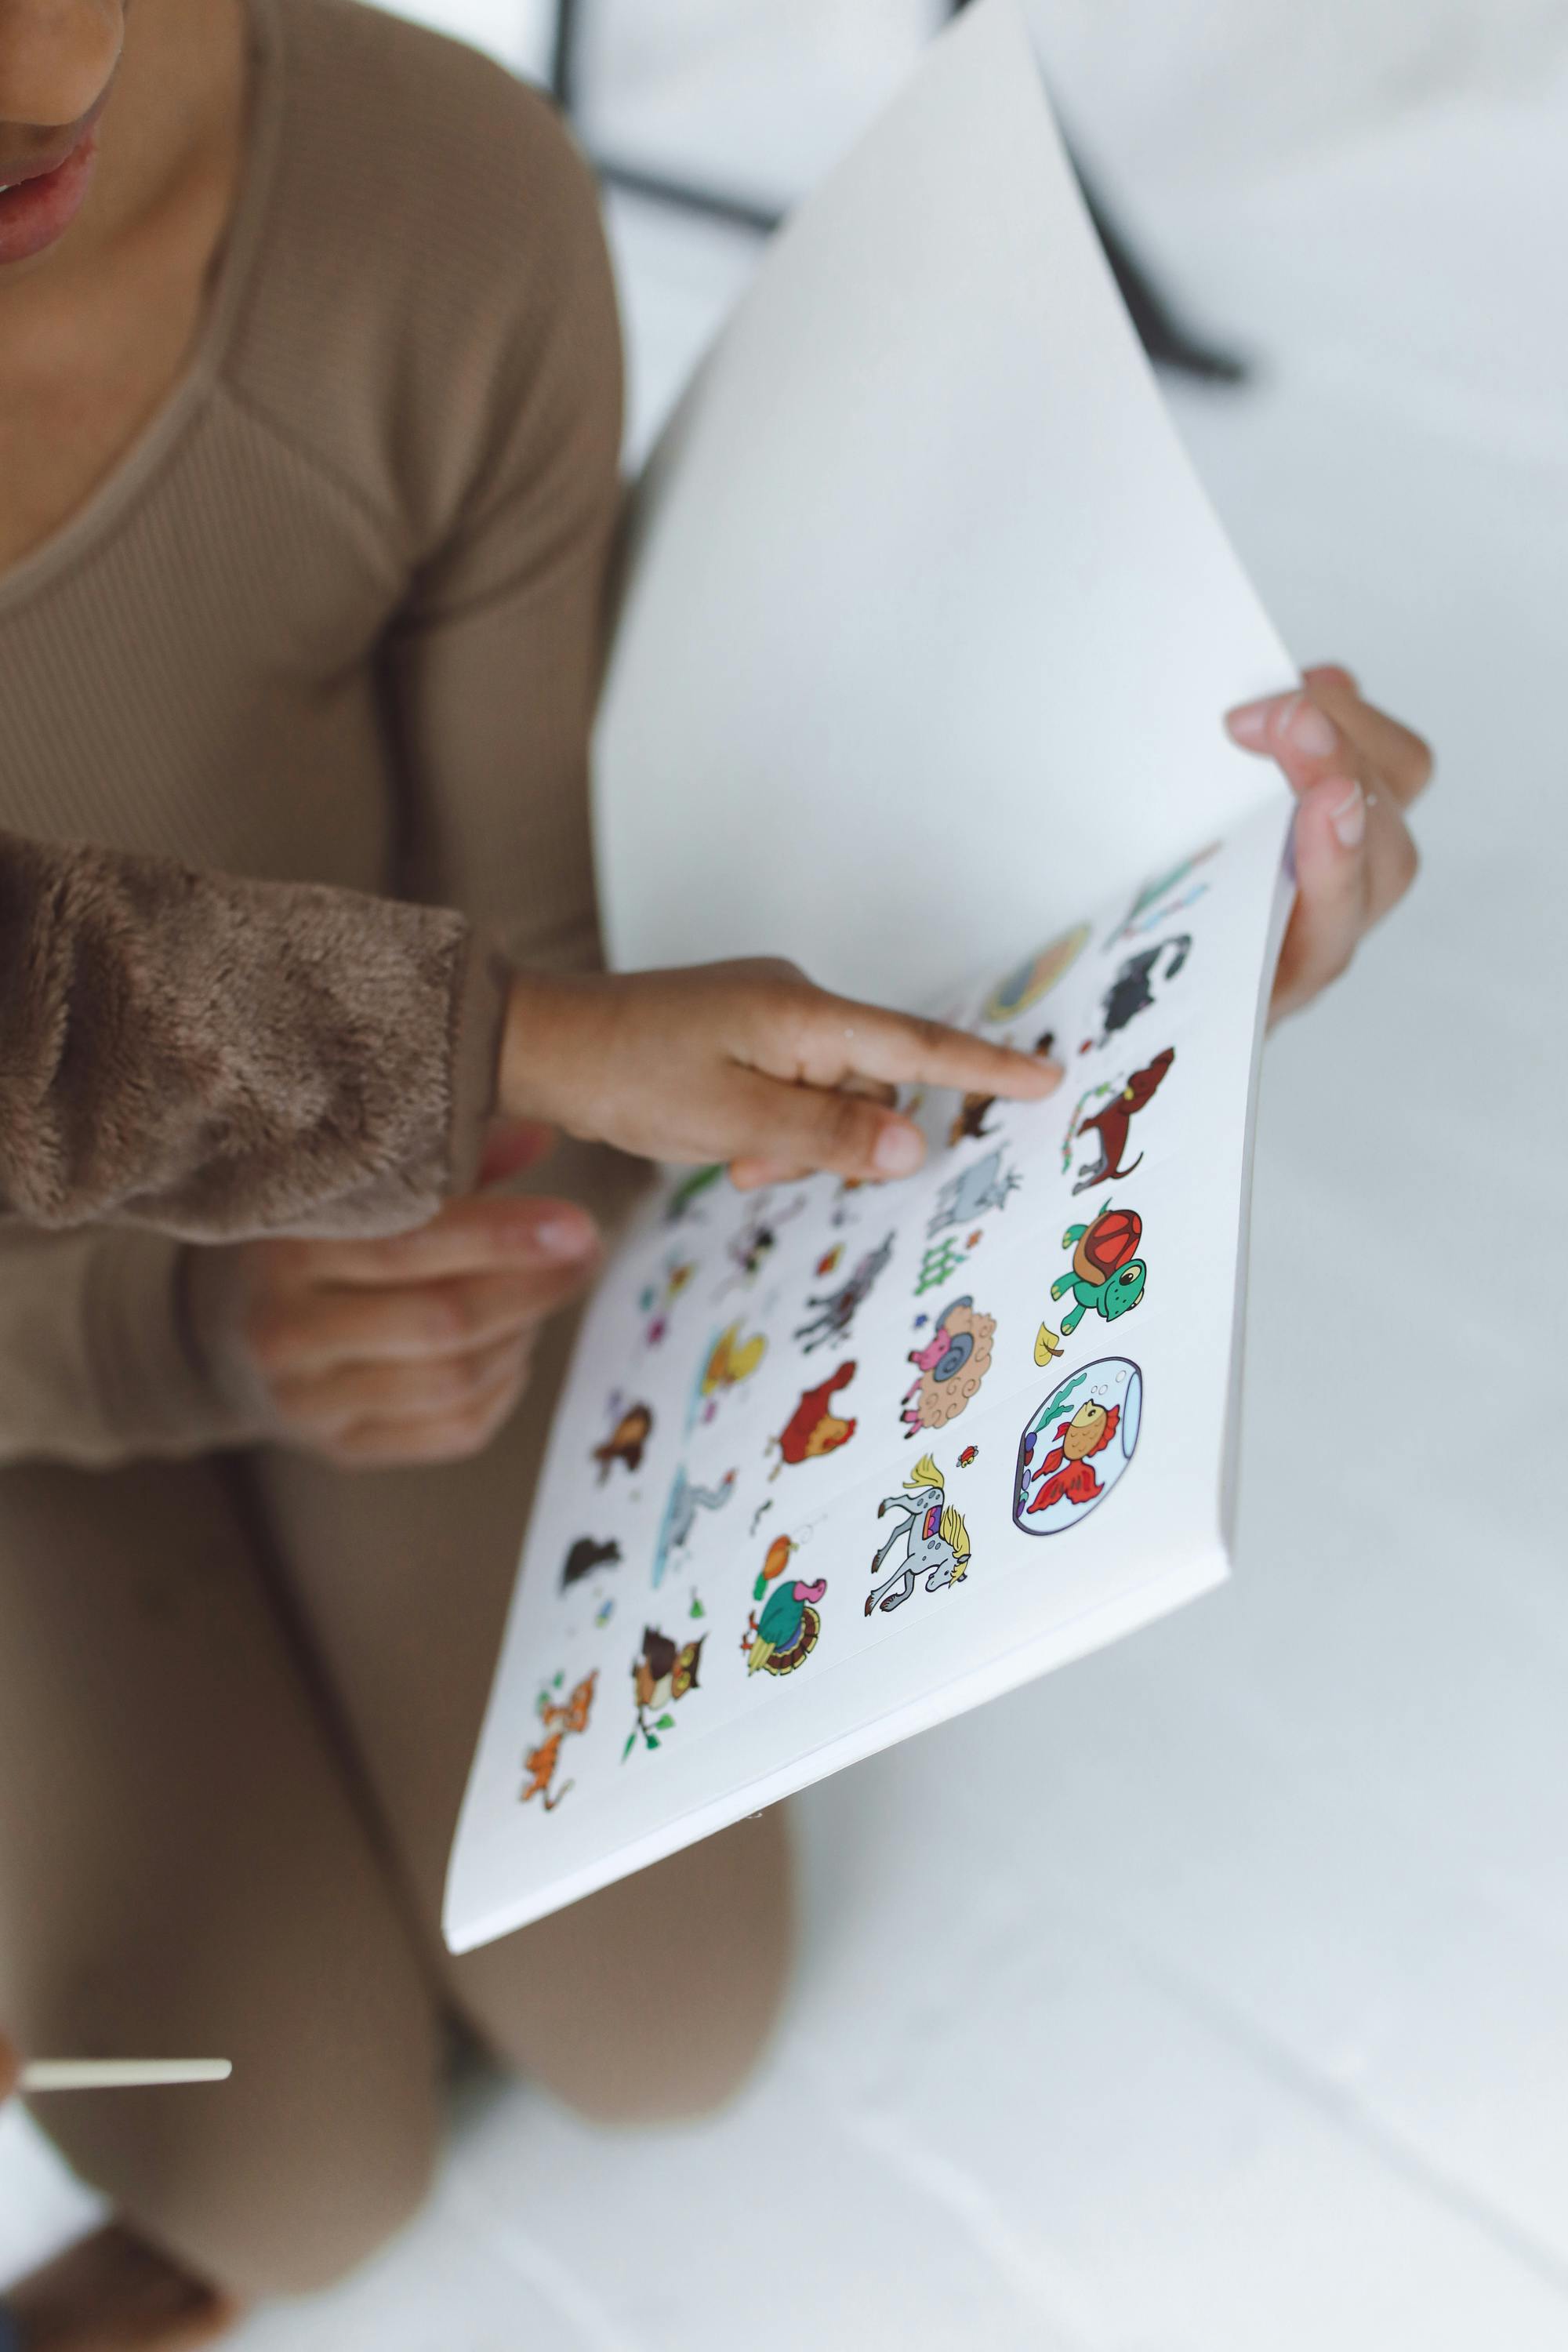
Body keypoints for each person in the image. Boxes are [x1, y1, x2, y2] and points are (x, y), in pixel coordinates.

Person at [0, 0, 1432, 2341]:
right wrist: (168, 1331)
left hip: (424, 1231)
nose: (58, 69)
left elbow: (574, 977)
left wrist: (1128, 930)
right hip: (47, 1361)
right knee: (279, 2166)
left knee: (664, 2015)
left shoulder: (423, 200)